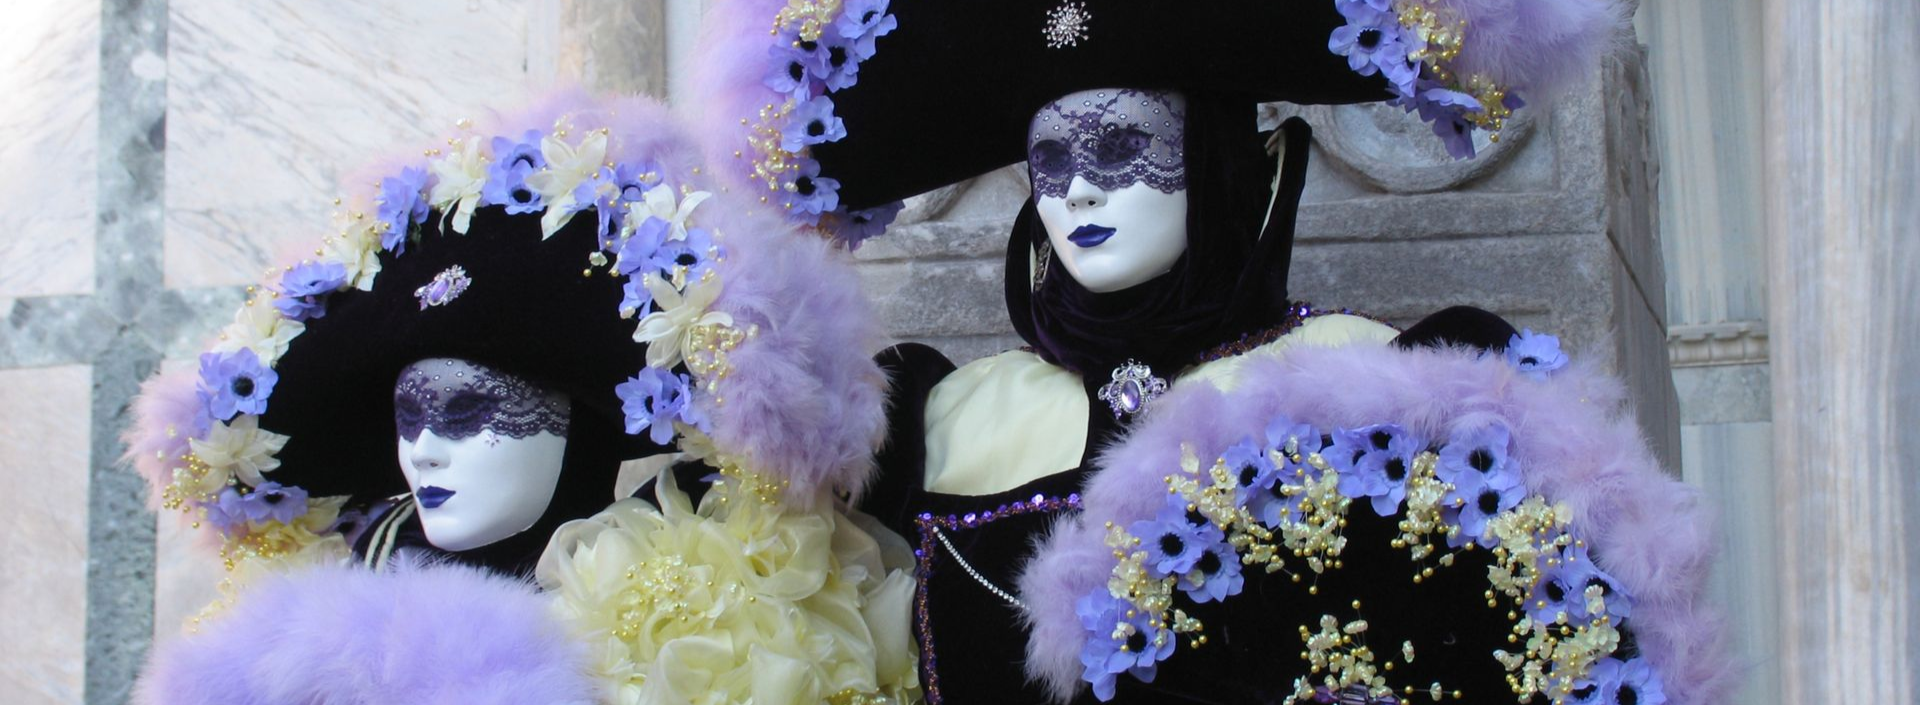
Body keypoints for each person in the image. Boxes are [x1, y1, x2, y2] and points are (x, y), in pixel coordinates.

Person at [691, 1, 1730, 703]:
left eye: (1122, 146)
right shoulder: (943, 421)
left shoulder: (1376, 385)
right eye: (1050, 162)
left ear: (1231, 163)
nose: (1080, 191)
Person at [127, 92, 917, 704]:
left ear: (581, 422)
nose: (423, 448)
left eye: (468, 413)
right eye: (409, 416)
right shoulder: (292, 634)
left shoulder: (704, 610)